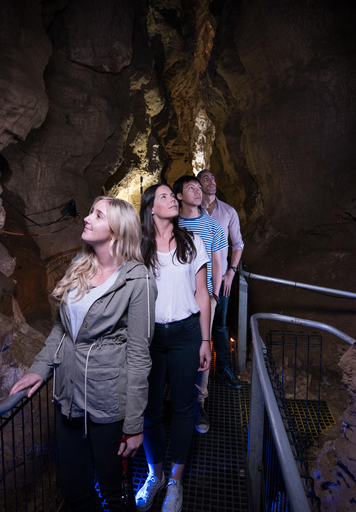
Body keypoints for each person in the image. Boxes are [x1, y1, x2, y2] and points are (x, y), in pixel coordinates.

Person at [10, 196, 156, 512]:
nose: (87, 218)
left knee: (114, 491)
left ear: (117, 230)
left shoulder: (138, 279)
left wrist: (133, 424)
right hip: (68, 396)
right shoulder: (79, 264)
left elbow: (139, 355)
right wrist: (40, 368)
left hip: (107, 402)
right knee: (76, 491)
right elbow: (62, 329)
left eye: (97, 215)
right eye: (91, 212)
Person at [136, 184, 212, 512]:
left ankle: (176, 481)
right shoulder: (138, 247)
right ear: (151, 208)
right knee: (150, 412)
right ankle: (155, 476)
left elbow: (202, 294)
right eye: (165, 196)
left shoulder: (192, 241)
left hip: (185, 334)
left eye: (172, 195)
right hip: (149, 339)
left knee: (182, 408)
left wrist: (206, 340)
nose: (172, 200)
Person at [172, 174, 227, 434]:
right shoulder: (171, 225)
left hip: (203, 296)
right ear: (179, 196)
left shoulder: (214, 226)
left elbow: (218, 262)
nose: (197, 190)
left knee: (204, 347)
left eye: (198, 186)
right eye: (190, 187)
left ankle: (198, 402)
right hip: (175, 296)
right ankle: (177, 400)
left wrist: (214, 295)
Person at [197, 168, 244, 389]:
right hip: (195, 280)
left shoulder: (228, 212)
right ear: (198, 185)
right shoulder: (192, 212)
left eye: (213, 177)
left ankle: (223, 368)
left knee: (220, 325)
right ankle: (192, 370)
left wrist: (230, 272)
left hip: (220, 280)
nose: (211, 181)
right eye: (206, 178)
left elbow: (238, 244)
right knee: (194, 324)